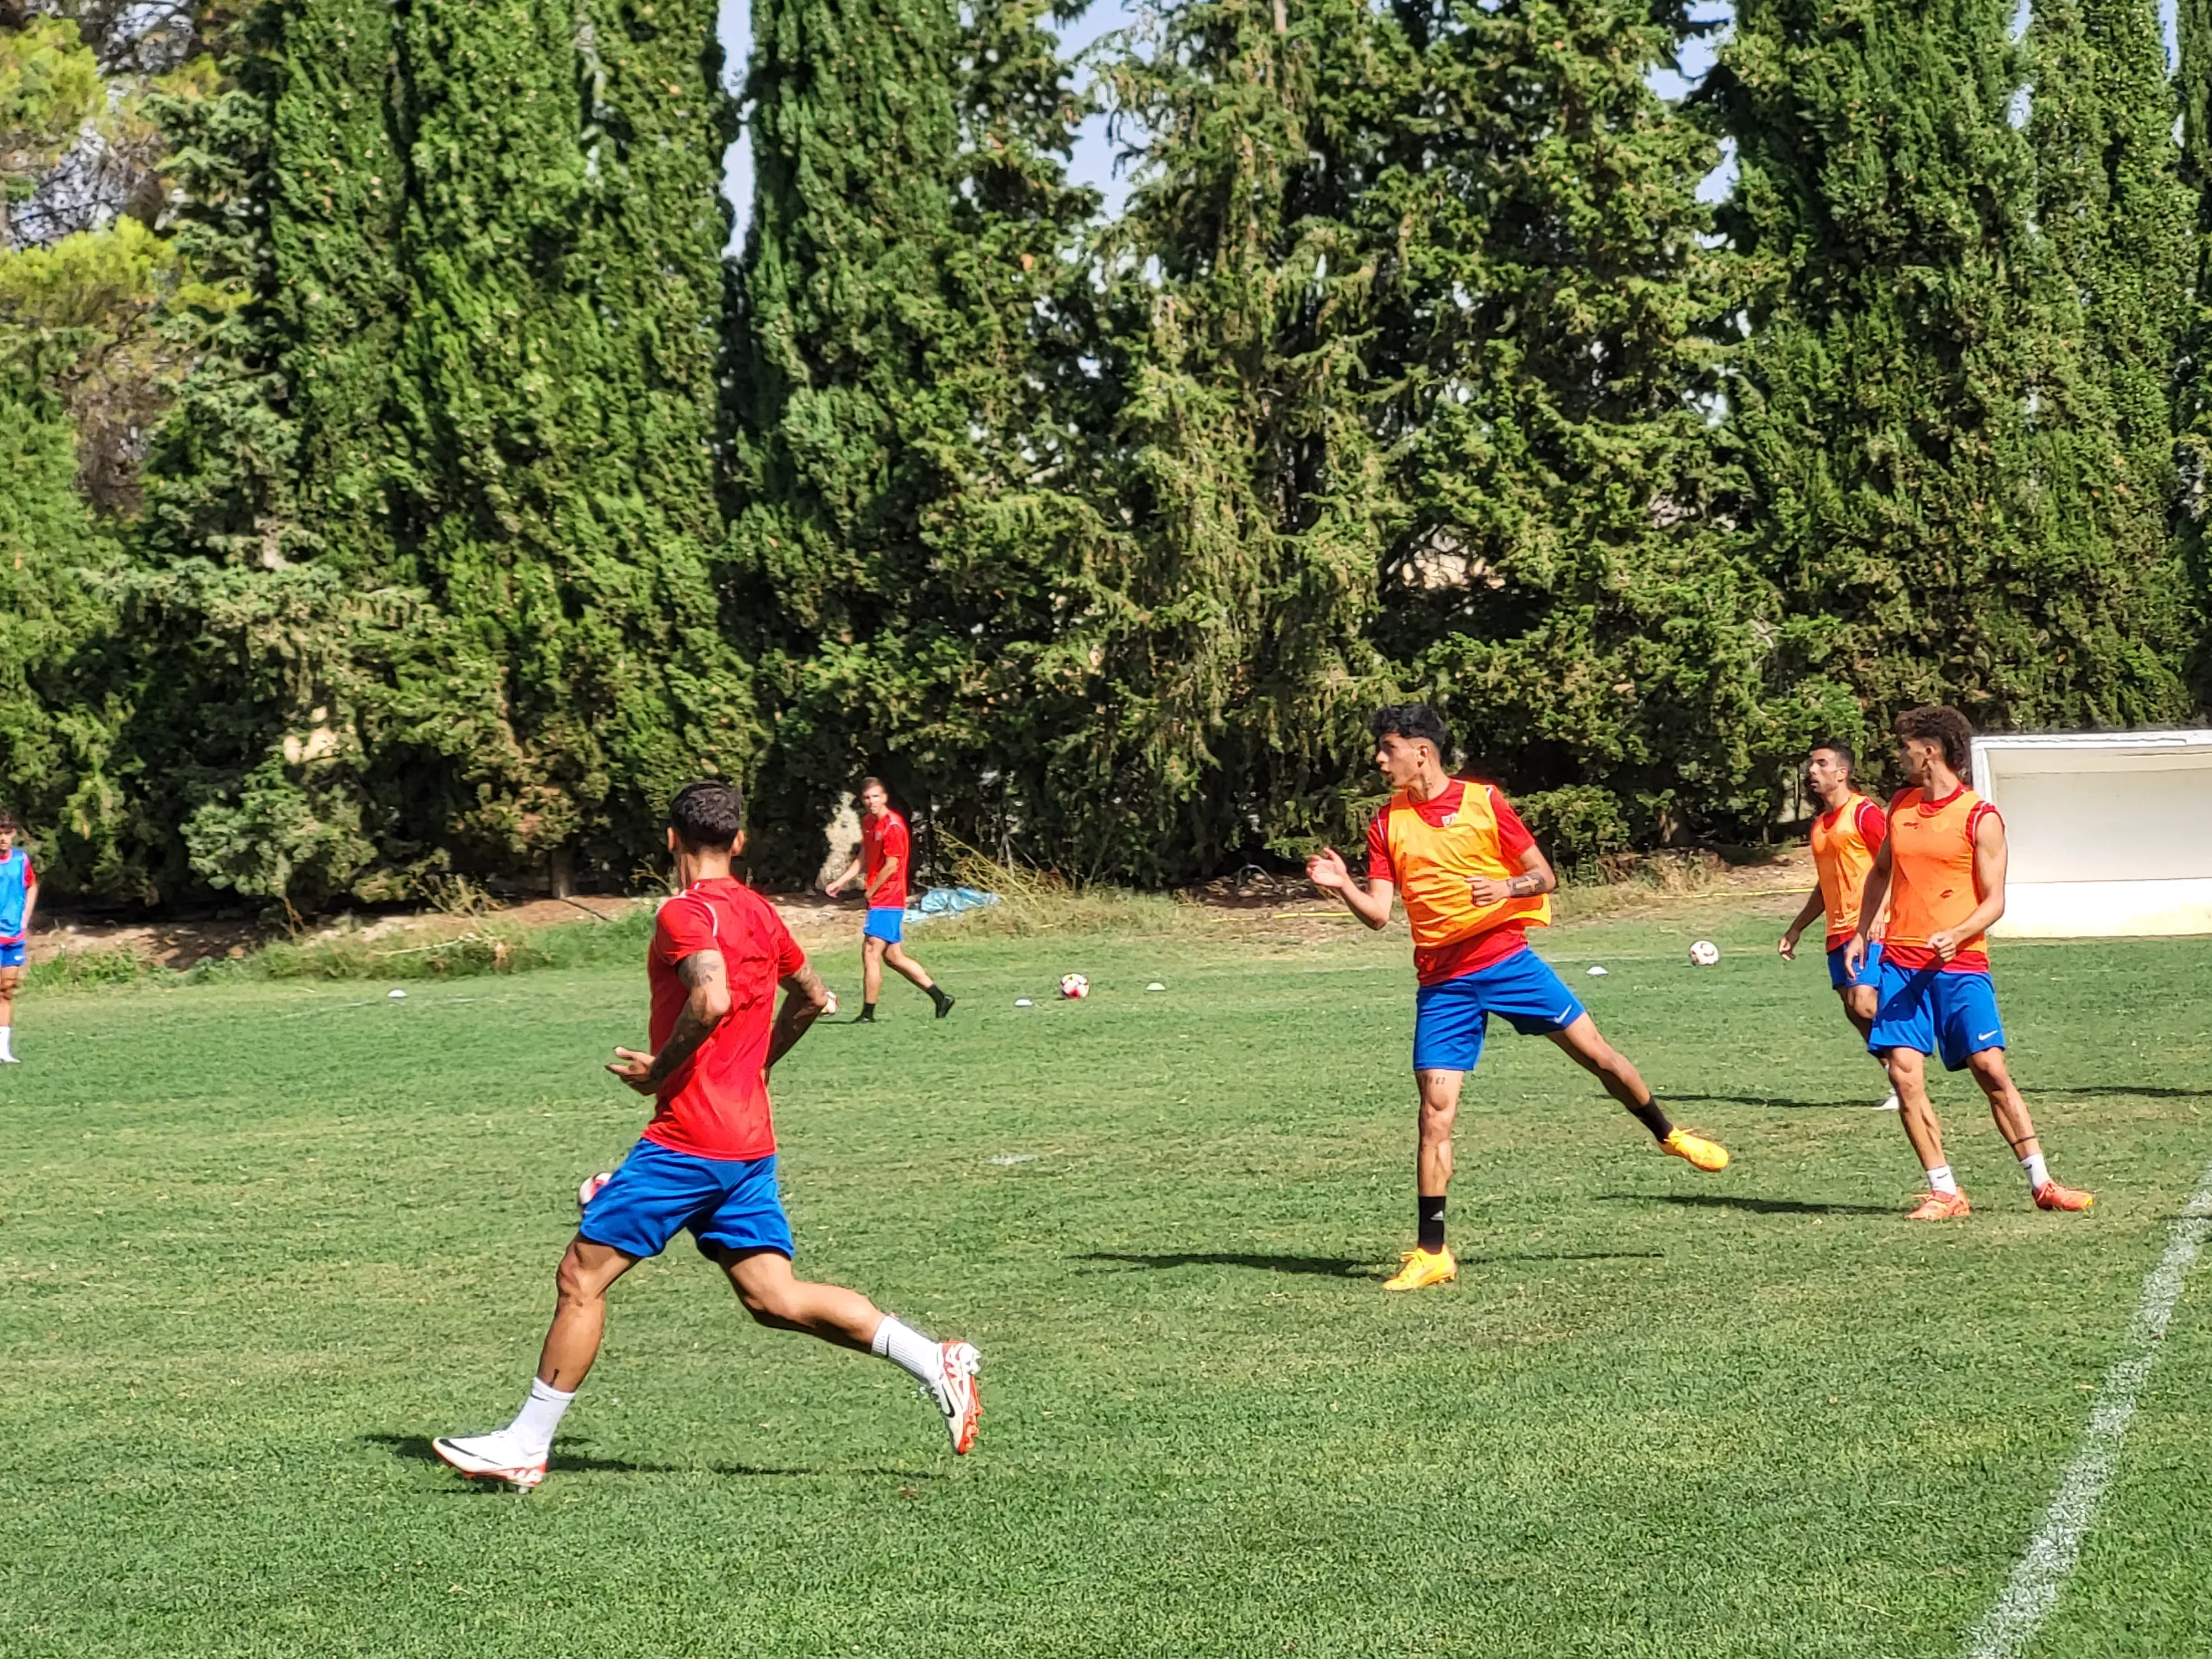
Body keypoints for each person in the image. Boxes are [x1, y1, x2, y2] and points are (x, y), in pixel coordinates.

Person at [434, 780, 980, 1490]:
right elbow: (814, 998)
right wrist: (757, 1067)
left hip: (690, 1141)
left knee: (581, 1277)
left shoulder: (684, 913)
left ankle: (525, 1445)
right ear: (739, 841)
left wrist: (659, 1070)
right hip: (746, 1141)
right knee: (773, 1297)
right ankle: (933, 1359)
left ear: (671, 839)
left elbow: (711, 996)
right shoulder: (760, 912)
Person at [1306, 706, 1729, 1291]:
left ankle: (1668, 1134)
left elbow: (1544, 876)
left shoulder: (1484, 802)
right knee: (1434, 1113)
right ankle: (1433, 1252)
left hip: (1507, 961)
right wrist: (1343, 886)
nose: (1380, 761)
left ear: (1421, 752)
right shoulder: (1385, 823)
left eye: (1388, 749)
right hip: (1442, 983)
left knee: (1598, 1057)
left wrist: (1505, 886)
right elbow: (1379, 915)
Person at [1844, 708, 2093, 1220]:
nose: (1900, 755)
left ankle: (2043, 1183)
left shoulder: (1981, 817)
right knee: (1904, 1077)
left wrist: (1957, 934)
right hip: (1900, 965)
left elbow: (1995, 901)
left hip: (1961, 966)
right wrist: (1862, 931)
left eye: (1906, 747)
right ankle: (1945, 1192)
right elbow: (1881, 872)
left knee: (1990, 1069)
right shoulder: (1900, 805)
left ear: (1930, 751)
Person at [1777, 739, 1898, 1109]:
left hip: (1871, 927)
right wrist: (1797, 928)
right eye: (1811, 765)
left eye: (1821, 764)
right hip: (1838, 931)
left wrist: (1878, 915)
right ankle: (1899, 1079)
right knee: (1853, 1009)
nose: (1812, 771)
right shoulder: (1819, 827)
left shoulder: (1865, 814)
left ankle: (1910, 1054)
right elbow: (1825, 885)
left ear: (1842, 772)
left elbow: (1895, 865)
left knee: (1864, 1003)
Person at [823, 778, 953, 1021]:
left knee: (870, 951)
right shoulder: (869, 822)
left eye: (876, 796)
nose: (871, 802)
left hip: (889, 897)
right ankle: (941, 998)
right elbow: (865, 855)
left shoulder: (894, 826)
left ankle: (868, 1014)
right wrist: (841, 881)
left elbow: (892, 864)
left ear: (884, 798)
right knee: (894, 957)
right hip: (880, 898)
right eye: (867, 798)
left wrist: (872, 890)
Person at [0, 811, 35, 1065]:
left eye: (7, 833)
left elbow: (32, 885)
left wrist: (25, 918)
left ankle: (3, 1050)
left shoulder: (21, 860)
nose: (3, 838)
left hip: (12, 936)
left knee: (7, 990)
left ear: (13, 834)